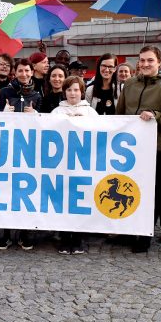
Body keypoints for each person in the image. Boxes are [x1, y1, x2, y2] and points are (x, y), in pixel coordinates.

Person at [116, 46, 161, 252]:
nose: (145, 64)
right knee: (130, 189)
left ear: (158, 63)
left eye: (150, 60)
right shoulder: (129, 84)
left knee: (156, 193)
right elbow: (120, 115)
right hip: (129, 150)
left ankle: (145, 235)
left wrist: (155, 115)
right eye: (142, 60)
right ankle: (128, 230)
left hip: (156, 149)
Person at [0, 59, 40, 250]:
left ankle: (24, 232)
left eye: (27, 70)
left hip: (28, 148)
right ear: (15, 72)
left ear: (31, 72)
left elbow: (47, 122)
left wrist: (36, 113)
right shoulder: (5, 92)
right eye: (20, 70)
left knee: (25, 191)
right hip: (7, 147)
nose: (23, 74)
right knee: (6, 190)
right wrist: (4, 113)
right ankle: (4, 234)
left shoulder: (37, 94)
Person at [53, 76, 98, 255]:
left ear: (82, 92)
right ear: (65, 92)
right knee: (63, 201)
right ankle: (64, 238)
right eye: (70, 90)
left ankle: (79, 238)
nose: (73, 93)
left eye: (76, 90)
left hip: (82, 164)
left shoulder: (90, 113)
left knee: (80, 200)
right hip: (62, 165)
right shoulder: (57, 111)